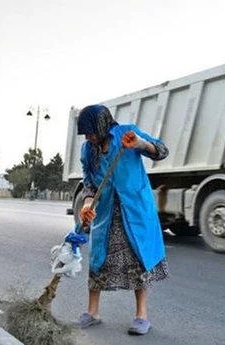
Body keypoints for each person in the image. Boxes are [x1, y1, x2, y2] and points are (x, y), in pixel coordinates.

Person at [75, 104, 169, 336]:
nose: (88, 137)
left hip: (135, 210)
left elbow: (161, 150)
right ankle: (92, 312)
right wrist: (87, 204)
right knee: (98, 260)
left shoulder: (127, 133)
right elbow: (89, 182)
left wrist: (140, 143)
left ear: (103, 125)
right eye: (85, 134)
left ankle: (141, 316)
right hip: (106, 213)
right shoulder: (88, 150)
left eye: (91, 132)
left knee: (139, 261)